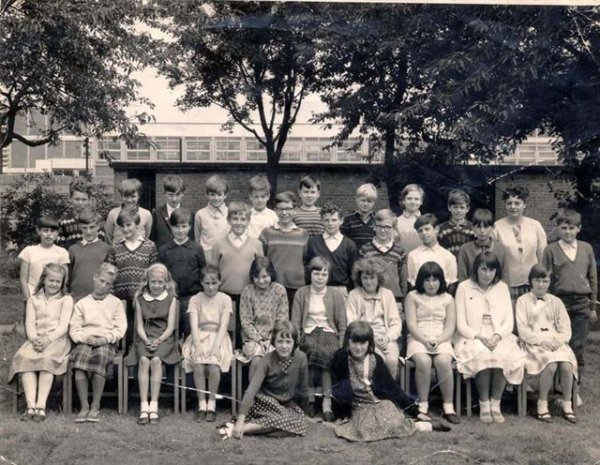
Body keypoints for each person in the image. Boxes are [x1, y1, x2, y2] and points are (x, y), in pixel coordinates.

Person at [331, 322, 449, 442]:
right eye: (354, 342)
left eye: (363, 343)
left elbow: (392, 388)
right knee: (363, 428)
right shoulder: (341, 357)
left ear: (369, 343)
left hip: (378, 402)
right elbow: (339, 387)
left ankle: (421, 426)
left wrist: (414, 411)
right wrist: (341, 413)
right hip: (358, 406)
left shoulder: (375, 360)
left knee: (390, 418)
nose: (358, 347)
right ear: (348, 341)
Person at [454, 252, 525, 423]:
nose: (487, 274)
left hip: (499, 334)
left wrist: (497, 336)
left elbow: (509, 320)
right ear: (476, 269)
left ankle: (496, 404)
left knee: (502, 355)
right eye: (483, 269)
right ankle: (484, 404)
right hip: (472, 336)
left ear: (497, 271)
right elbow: (460, 323)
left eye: (491, 270)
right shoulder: (464, 287)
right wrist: (479, 337)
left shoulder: (502, 288)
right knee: (483, 355)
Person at [542, 209, 596, 404]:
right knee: (558, 345)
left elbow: (592, 278)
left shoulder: (586, 248)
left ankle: (575, 389)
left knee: (577, 347)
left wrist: (593, 307)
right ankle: (558, 389)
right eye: (563, 228)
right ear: (558, 229)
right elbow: (545, 279)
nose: (567, 232)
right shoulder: (550, 250)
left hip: (581, 304)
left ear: (578, 229)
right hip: (559, 303)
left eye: (571, 228)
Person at [9, 263, 73, 422]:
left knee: (46, 360)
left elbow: (63, 326)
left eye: (58, 281)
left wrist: (47, 341)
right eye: (51, 280)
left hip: (57, 340)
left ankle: (40, 406)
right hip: (35, 339)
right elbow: (29, 324)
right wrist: (34, 339)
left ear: (62, 283)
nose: (54, 284)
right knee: (25, 357)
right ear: (43, 280)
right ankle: (30, 406)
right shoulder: (33, 299)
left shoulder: (66, 299)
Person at [225, 320, 309, 440]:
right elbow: (251, 390)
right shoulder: (266, 360)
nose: (284, 346)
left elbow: (304, 389)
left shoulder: (301, 358)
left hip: (286, 404)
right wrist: (240, 420)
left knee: (300, 423)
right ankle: (243, 427)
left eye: (288, 342)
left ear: (294, 342)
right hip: (265, 402)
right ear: (274, 342)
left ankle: (248, 429)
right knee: (289, 423)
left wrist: (304, 412)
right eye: (280, 341)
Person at [516, 265, 578, 423]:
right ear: (531, 281)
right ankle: (542, 404)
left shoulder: (556, 302)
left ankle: (567, 403)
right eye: (537, 280)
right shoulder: (523, 301)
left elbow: (565, 328)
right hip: (534, 343)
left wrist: (557, 342)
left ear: (550, 282)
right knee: (550, 365)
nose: (541, 284)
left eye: (545, 281)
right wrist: (541, 341)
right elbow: (523, 330)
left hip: (555, 342)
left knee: (566, 365)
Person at [69, 263, 127, 423]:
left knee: (99, 358)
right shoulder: (82, 303)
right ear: (95, 278)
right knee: (79, 360)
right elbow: (74, 328)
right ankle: (84, 406)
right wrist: (84, 338)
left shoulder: (115, 303)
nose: (103, 285)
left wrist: (107, 338)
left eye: (108, 284)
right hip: (85, 340)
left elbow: (120, 327)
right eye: (101, 281)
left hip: (105, 342)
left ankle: (95, 405)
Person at [291, 256, 346, 422]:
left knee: (328, 354)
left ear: (328, 276)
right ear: (311, 274)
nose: (320, 278)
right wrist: (297, 341)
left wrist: (342, 344)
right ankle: (310, 399)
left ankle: (327, 403)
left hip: (329, 332)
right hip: (307, 333)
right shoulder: (302, 293)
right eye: (317, 273)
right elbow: (295, 322)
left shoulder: (335, 294)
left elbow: (342, 324)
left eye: (324, 274)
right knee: (307, 353)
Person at [126, 263, 181, 425]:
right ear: (147, 281)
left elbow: (170, 327)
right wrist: (146, 340)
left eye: (160, 282)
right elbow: (139, 326)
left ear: (166, 282)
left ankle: (154, 405)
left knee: (156, 361)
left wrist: (158, 340)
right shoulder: (140, 299)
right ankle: (144, 406)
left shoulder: (172, 300)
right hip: (144, 337)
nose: (156, 285)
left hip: (164, 338)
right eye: (153, 282)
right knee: (144, 361)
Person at [405, 261, 459, 424]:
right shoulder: (412, 297)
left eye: (435, 279)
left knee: (443, 361)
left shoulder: (448, 299)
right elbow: (411, 324)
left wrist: (439, 340)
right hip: (418, 338)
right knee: (423, 361)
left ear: (441, 280)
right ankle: (423, 405)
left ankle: (448, 406)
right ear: (420, 281)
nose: (431, 284)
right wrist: (424, 340)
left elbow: (450, 326)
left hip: (441, 338)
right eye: (427, 280)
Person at [181, 265, 233, 423]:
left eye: (214, 283)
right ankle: (201, 404)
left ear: (219, 282)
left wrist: (216, 346)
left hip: (219, 337)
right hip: (199, 337)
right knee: (198, 364)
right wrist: (197, 344)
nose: (211, 287)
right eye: (207, 283)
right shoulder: (196, 299)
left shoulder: (225, 299)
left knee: (213, 366)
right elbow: (194, 325)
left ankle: (212, 405)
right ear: (201, 283)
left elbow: (224, 325)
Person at [107, 208, 158, 343]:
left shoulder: (150, 246)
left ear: (137, 224)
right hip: (121, 300)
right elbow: (110, 276)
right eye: (122, 226)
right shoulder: (115, 248)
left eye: (128, 225)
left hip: (143, 299)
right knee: (125, 336)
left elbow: (153, 274)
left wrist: (149, 294)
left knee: (141, 334)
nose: (125, 229)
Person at [346, 257, 402, 379]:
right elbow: (351, 323)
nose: (369, 282)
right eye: (365, 278)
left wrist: (387, 338)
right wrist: (370, 339)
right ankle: (373, 393)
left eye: (372, 278)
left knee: (392, 360)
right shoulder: (354, 295)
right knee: (377, 359)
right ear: (359, 279)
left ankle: (388, 393)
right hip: (363, 339)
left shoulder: (387, 294)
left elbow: (396, 323)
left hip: (385, 338)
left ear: (379, 279)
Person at [494, 186, 547, 304]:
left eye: (517, 203)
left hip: (532, 283)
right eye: (509, 203)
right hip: (508, 284)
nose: (513, 207)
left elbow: (542, 255)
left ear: (524, 204)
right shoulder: (497, 227)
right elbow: (495, 258)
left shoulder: (535, 225)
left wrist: (541, 280)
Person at [158, 207, 206, 336]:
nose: (180, 231)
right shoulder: (164, 250)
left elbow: (203, 274)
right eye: (176, 227)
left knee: (190, 332)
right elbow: (160, 276)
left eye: (184, 226)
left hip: (191, 298)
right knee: (172, 332)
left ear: (190, 227)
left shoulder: (197, 249)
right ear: (171, 227)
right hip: (170, 298)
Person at [239, 257, 289, 377]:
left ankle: (273, 394)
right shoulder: (247, 291)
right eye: (257, 277)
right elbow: (246, 322)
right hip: (252, 339)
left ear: (271, 274)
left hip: (275, 337)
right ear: (252, 277)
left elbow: (282, 319)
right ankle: (254, 393)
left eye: (265, 276)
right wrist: (260, 340)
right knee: (257, 358)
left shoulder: (279, 290)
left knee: (273, 357)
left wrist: (271, 339)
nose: (261, 281)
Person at [259, 191, 309, 309]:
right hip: (273, 285)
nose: (284, 213)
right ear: (275, 210)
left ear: (295, 210)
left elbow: (306, 260)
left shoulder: (303, 234)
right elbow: (261, 260)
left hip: (297, 287)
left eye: (288, 209)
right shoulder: (267, 233)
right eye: (281, 209)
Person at [305, 201, 357, 296]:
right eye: (326, 220)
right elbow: (308, 269)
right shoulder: (313, 242)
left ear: (341, 220)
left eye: (334, 220)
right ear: (321, 220)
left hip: (341, 291)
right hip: (317, 290)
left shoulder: (349, 245)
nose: (330, 224)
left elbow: (352, 273)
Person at [358, 209, 408, 301]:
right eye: (379, 226)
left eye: (387, 227)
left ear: (393, 228)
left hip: (395, 300)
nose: (383, 230)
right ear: (374, 226)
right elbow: (359, 280)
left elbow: (403, 281)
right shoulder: (365, 250)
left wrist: (403, 302)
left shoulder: (399, 252)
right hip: (370, 299)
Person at [19, 215, 70, 304]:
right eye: (45, 230)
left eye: (52, 231)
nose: (49, 234)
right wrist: (29, 300)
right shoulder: (28, 251)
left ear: (57, 233)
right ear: (38, 231)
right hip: (33, 297)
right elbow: (23, 279)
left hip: (54, 300)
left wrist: (60, 298)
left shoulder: (62, 252)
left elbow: (65, 278)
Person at [406, 213, 458, 295]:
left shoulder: (448, 256)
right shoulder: (413, 255)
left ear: (436, 229)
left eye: (427, 229)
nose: (424, 233)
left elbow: (452, 284)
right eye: (420, 230)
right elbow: (411, 282)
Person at [68, 210, 110, 302]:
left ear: (98, 226)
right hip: (76, 298)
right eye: (84, 228)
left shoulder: (106, 249)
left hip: (98, 299)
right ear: (80, 228)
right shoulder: (73, 249)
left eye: (92, 227)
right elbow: (68, 277)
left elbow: (109, 277)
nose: (88, 231)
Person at [457, 208, 507, 283]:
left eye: (486, 227)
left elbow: (505, 277)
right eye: (478, 227)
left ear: (493, 227)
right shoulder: (465, 250)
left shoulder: (501, 249)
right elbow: (462, 278)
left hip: (495, 291)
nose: (482, 231)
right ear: (473, 227)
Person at [57, 176, 104, 249]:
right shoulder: (64, 221)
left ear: (89, 200)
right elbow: (60, 247)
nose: (80, 203)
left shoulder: (97, 219)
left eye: (84, 199)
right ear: (70, 199)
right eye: (77, 199)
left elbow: (102, 244)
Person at [150, 174, 193, 249]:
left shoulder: (189, 214)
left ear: (182, 194)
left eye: (177, 195)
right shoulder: (156, 213)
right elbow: (152, 239)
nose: (174, 199)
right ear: (164, 194)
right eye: (170, 195)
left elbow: (191, 239)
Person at [104, 178, 152, 245]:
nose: (129, 200)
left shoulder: (146, 214)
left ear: (139, 196)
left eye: (133, 196)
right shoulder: (113, 214)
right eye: (126, 196)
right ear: (121, 196)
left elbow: (147, 236)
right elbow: (108, 238)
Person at [193, 174, 230, 263]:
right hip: (206, 260)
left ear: (225, 195)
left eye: (219, 194)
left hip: (225, 259)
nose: (216, 198)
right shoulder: (200, 214)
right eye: (212, 195)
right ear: (207, 195)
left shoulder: (230, 213)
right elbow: (197, 239)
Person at [437, 188, 476, 257]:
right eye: (455, 207)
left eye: (462, 207)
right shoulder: (440, 229)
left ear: (467, 209)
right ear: (449, 207)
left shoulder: (473, 229)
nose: (458, 210)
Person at [340, 183, 377, 249]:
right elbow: (342, 243)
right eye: (363, 200)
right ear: (356, 199)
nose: (365, 204)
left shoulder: (377, 220)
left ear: (374, 203)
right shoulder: (347, 220)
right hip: (353, 257)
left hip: (372, 257)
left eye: (369, 201)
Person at [394, 184, 424, 254]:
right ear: (403, 201)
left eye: (416, 199)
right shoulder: (396, 222)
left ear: (421, 201)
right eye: (409, 198)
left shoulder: (427, 222)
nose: (413, 202)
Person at [247, 175, 278, 239]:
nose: (259, 200)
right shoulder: (246, 215)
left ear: (268, 196)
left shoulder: (273, 216)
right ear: (250, 197)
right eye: (256, 197)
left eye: (262, 197)